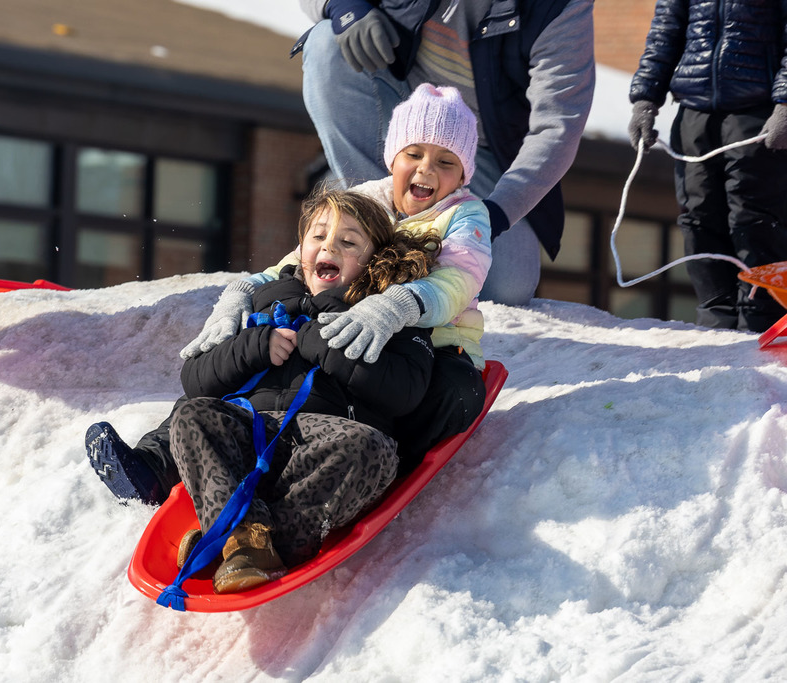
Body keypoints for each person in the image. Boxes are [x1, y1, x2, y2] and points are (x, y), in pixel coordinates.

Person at [87, 85, 492, 509]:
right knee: (234, 374)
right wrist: (239, 297)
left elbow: (460, 278)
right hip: (338, 325)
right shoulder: (363, 202)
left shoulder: (464, 214)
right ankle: (153, 465)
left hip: (429, 339)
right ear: (393, 158)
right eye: (414, 154)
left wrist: (397, 306)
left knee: (450, 391)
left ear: (463, 175)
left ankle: (390, 468)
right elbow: (295, 263)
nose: (426, 170)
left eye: (445, 162)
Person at [169, 188, 441, 593]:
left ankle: (247, 542)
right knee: (192, 416)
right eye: (318, 236)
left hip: (329, 438)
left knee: (370, 449)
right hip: (255, 432)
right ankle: (240, 537)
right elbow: (195, 381)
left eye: (348, 242)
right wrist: (253, 347)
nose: (329, 245)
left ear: (373, 260)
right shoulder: (265, 302)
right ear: (301, 250)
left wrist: (321, 343)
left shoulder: (390, 313)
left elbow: (404, 392)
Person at [289, 0, 595, 306]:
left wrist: (493, 216)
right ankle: (372, 228)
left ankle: (420, 251)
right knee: (326, 44)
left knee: (506, 289)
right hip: (398, 120)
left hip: (484, 153)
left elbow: (557, 127)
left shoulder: (558, 8)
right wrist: (344, 6)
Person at [628, 0, 787, 332]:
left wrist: (785, 104)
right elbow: (665, 33)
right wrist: (645, 98)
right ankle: (716, 318)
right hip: (694, 109)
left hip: (756, 110)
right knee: (698, 214)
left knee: (753, 216)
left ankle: (759, 319)